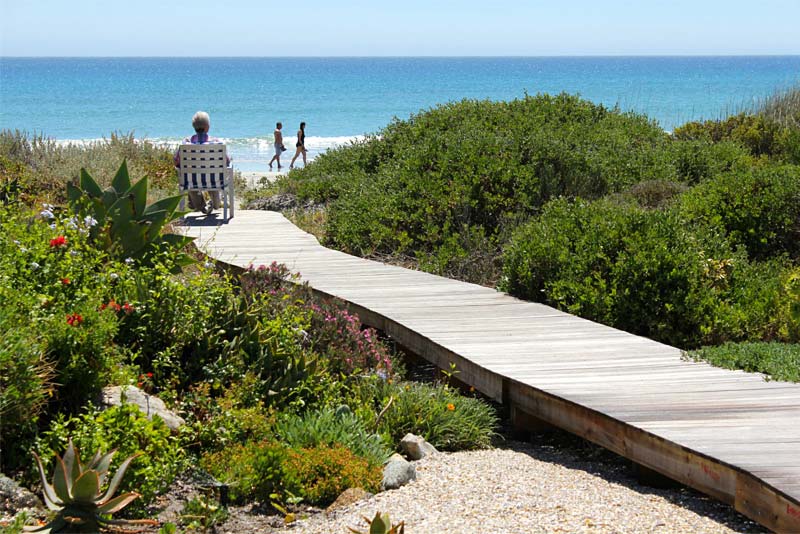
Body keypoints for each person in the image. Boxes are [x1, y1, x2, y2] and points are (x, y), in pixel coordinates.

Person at [174, 111, 230, 214]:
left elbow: (176, 161)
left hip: (192, 181)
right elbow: (227, 161)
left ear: (193, 127)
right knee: (213, 176)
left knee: (191, 180)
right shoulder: (218, 143)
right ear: (208, 126)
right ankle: (214, 203)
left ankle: (200, 205)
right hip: (215, 180)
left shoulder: (186, 143)